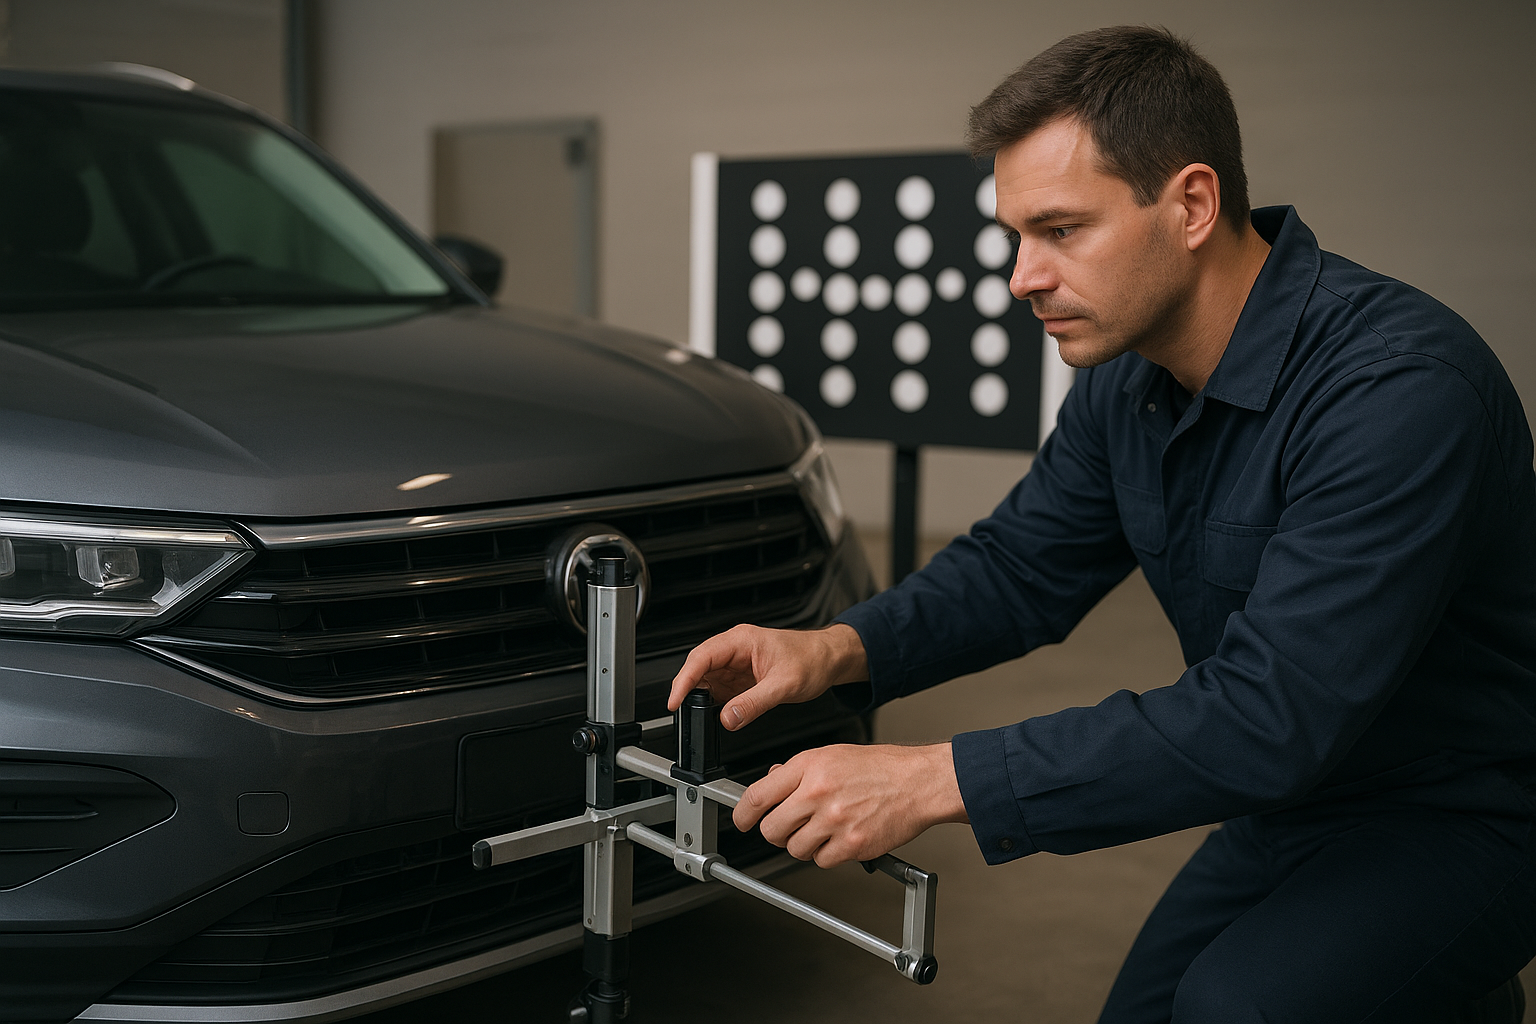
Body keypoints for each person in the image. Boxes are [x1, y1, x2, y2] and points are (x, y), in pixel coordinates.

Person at [668, 24, 1536, 1024]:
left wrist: (932, 776)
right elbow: (1020, 567)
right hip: (1289, 804)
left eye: (1061, 229)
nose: (1020, 277)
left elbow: (1271, 713)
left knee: (1234, 1008)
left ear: (1193, 204)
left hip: (1467, 813)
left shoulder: (1398, 392)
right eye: (1016, 237)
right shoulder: (1130, 379)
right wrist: (831, 648)